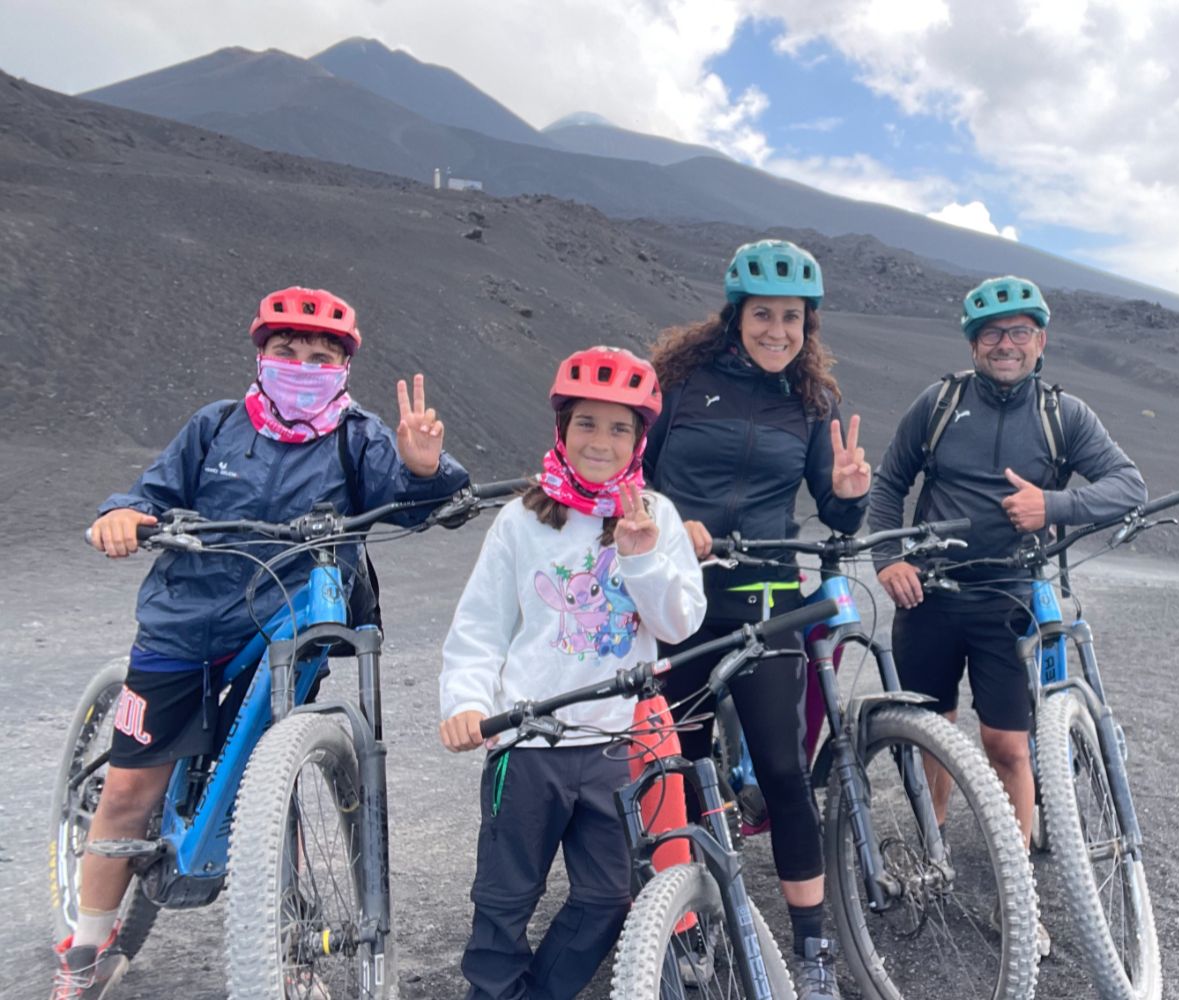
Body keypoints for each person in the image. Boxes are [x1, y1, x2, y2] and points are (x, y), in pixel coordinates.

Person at [63, 286, 469, 999]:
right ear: (261, 356)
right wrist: (122, 516)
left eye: (321, 357)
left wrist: (425, 469)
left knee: (273, 784)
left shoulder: (358, 437)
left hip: (287, 629)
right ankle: (87, 951)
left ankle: (286, 947)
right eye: (287, 351)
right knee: (129, 791)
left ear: (344, 368)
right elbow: (147, 495)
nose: (303, 366)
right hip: (184, 622)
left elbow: (427, 507)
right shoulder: (216, 426)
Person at [867, 274, 1146, 955]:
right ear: (973, 344)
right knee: (931, 731)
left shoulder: (1063, 415)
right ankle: (933, 850)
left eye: (1019, 332)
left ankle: (1013, 889)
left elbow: (1128, 486)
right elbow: (888, 485)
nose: (1005, 344)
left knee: (1007, 746)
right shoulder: (938, 403)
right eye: (991, 333)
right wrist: (888, 560)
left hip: (1008, 598)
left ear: (1039, 341)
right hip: (929, 596)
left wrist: (1053, 506)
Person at [438, 345, 705, 1000]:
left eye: (619, 428)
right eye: (587, 423)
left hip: (615, 744)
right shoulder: (520, 520)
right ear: (562, 427)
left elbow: (678, 624)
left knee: (608, 898)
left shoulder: (657, 517)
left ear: (639, 440)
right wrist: (466, 701)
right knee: (503, 901)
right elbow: (481, 624)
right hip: (527, 743)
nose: (601, 441)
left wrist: (640, 558)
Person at [642, 238, 868, 1000]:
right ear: (735, 316)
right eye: (764, 315)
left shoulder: (811, 403)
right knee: (677, 766)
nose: (778, 331)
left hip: (767, 603)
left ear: (808, 326)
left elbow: (836, 515)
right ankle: (687, 921)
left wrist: (848, 496)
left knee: (783, 772)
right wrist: (669, 524)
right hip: (679, 604)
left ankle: (812, 947)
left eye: (792, 318)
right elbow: (631, 481)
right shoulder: (678, 384)